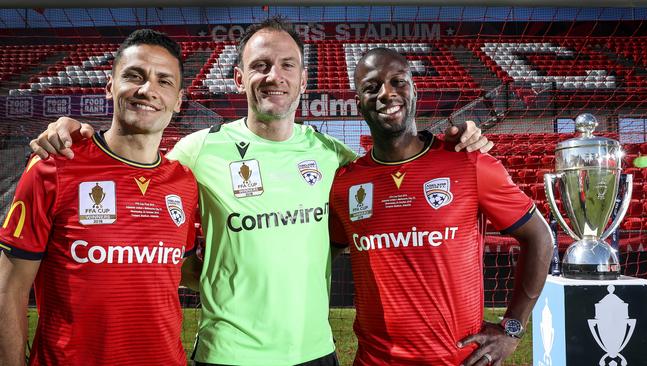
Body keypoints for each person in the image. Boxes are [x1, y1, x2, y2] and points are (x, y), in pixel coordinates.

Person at [25, 18, 493, 365]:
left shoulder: (335, 156)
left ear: (304, 81)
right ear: (239, 78)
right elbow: (133, 184)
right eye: (260, 65)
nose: (275, 76)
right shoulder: (196, 150)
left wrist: (458, 143)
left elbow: (402, 173)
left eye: (288, 65)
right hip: (227, 354)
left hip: (316, 351)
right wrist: (74, 132)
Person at [328, 47, 553, 366]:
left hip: (460, 360)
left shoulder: (469, 161)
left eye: (397, 81)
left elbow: (540, 236)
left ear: (414, 89)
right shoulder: (344, 184)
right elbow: (321, 253)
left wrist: (512, 328)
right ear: (358, 102)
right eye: (372, 87)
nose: (386, 93)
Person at [0, 29, 198, 365]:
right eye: (134, 75)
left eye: (164, 81)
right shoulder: (57, 164)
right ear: (110, 86)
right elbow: (8, 289)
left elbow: (182, 271)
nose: (147, 89)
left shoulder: (184, 182)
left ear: (178, 100)